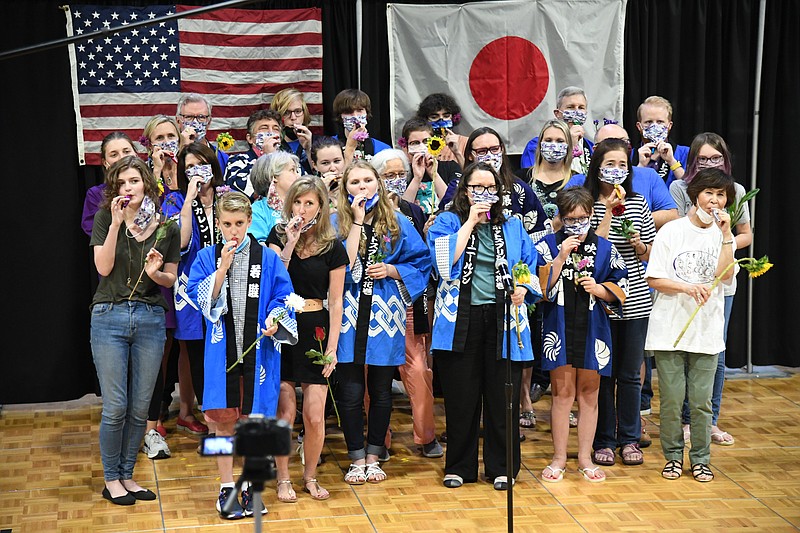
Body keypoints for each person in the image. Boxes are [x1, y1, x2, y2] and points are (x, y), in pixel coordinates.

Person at [427, 161, 542, 490]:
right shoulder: (448, 221)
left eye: (490, 189)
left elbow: (527, 264)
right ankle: (459, 467)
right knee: (461, 399)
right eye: (477, 188)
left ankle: (503, 466)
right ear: (465, 191)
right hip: (459, 319)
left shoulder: (514, 225)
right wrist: (468, 223)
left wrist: (524, 286)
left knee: (501, 397)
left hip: (504, 318)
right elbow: (443, 265)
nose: (484, 194)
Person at [186, 191, 298, 517]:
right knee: (221, 423)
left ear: (249, 222)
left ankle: (249, 485)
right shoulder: (208, 257)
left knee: (255, 423)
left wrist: (276, 318)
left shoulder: (269, 258)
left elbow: (284, 296)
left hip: (259, 352)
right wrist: (222, 269)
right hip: (221, 354)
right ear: (218, 224)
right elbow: (197, 296)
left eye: (239, 223)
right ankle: (224, 485)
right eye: (226, 224)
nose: (233, 230)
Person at [89, 156, 180, 505]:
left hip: (149, 317)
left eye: (134, 181)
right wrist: (114, 225)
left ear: (146, 183)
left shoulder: (165, 228)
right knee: (116, 406)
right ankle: (111, 478)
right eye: (122, 183)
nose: (128, 188)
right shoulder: (104, 218)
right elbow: (103, 266)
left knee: (141, 406)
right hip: (109, 314)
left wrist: (155, 272)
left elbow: (169, 279)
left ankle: (128, 475)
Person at [334, 161, 431, 485]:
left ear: (378, 183)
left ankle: (374, 456)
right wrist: (358, 222)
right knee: (349, 392)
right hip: (346, 313)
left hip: (384, 314)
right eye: (355, 181)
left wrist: (392, 271)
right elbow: (330, 265)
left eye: (367, 180)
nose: (361, 187)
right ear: (345, 188)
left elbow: (422, 261)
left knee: (380, 389)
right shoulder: (336, 223)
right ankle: (355, 456)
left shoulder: (398, 222)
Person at [645, 168, 737, 483]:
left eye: (721, 194)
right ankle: (672, 457)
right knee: (671, 398)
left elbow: (725, 277)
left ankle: (700, 458)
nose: (715, 199)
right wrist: (686, 288)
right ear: (696, 195)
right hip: (670, 328)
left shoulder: (724, 237)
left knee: (700, 402)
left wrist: (726, 236)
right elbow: (654, 278)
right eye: (709, 192)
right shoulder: (671, 231)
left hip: (706, 330)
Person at [535, 187, 627, 483]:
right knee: (562, 394)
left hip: (594, 327)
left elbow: (621, 285)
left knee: (589, 394)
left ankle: (585, 457)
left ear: (591, 215)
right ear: (560, 218)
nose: (578, 225)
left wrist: (600, 289)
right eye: (571, 220)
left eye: (583, 218)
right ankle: (559, 457)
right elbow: (540, 288)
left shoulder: (605, 248)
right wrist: (561, 257)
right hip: (558, 325)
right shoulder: (547, 245)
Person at [267, 178, 347, 502]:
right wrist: (290, 242)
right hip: (284, 326)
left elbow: (337, 301)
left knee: (314, 415)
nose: (303, 209)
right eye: (298, 203)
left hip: (315, 328)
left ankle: (310, 476)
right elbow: (276, 276)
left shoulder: (333, 246)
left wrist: (332, 348)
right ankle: (283, 477)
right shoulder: (277, 235)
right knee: (285, 413)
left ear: (320, 206)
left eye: (309, 203)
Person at [670, 133, 752, 447]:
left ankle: (711, 420)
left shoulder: (736, 191)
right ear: (692, 160)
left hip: (721, 281)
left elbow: (746, 234)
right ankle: (688, 419)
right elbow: (679, 230)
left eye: (714, 158)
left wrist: (724, 240)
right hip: (688, 279)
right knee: (687, 351)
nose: (708, 163)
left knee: (715, 352)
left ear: (724, 160)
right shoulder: (680, 188)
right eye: (702, 158)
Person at [584, 139, 656, 468]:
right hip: (600, 301)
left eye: (622, 165)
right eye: (610, 164)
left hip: (636, 300)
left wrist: (639, 243)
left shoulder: (638, 202)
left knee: (629, 375)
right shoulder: (587, 203)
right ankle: (604, 440)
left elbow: (649, 254)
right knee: (603, 374)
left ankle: (629, 438)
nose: (616, 170)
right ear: (597, 166)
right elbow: (592, 249)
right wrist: (609, 210)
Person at [370, 149, 443, 458]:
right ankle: (379, 439)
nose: (395, 182)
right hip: (369, 308)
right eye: (389, 176)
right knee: (373, 373)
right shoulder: (357, 215)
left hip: (406, 302)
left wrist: (394, 270)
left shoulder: (413, 212)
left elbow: (424, 261)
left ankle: (426, 436)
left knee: (417, 370)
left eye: (401, 175)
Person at [517, 118, 575, 428]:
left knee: (564, 333)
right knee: (527, 331)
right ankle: (525, 397)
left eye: (560, 140)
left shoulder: (578, 180)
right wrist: (549, 230)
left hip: (569, 262)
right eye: (548, 139)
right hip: (530, 262)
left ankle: (565, 402)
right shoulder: (524, 181)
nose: (554, 145)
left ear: (570, 146)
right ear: (539, 145)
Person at [173, 142, 227, 437]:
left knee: (225, 356)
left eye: (201, 164)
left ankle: (228, 427)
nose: (196, 172)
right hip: (191, 290)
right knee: (198, 357)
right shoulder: (176, 201)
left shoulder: (229, 196)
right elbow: (181, 244)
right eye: (189, 167)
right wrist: (187, 202)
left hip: (227, 285)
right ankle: (212, 430)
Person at [440, 127, 549, 242]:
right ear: (470, 155)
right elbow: (444, 229)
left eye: (494, 149)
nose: (489, 155)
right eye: (482, 151)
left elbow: (540, 232)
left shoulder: (519, 188)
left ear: (501, 150)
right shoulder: (457, 187)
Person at [566, 123, 678, 230]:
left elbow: (671, 215)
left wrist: (633, 220)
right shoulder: (579, 181)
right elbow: (560, 220)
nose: (617, 148)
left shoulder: (649, 175)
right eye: (609, 144)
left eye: (623, 143)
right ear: (595, 150)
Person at [521, 87, 594, 173]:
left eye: (581, 107)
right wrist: (570, 144)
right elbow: (531, 177)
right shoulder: (537, 145)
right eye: (570, 107)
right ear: (558, 114)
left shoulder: (590, 147)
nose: (576, 112)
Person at [399, 118, 462, 215]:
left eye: (426, 141)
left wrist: (434, 175)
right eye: (415, 143)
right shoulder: (402, 173)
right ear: (406, 147)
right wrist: (417, 178)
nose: (422, 147)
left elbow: (453, 205)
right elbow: (403, 211)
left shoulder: (451, 167)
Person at [82, 132, 138, 237]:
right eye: (114, 154)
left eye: (126, 151)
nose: (122, 158)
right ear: (105, 162)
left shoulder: (148, 187)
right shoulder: (95, 194)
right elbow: (94, 231)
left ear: (136, 154)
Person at [224, 109, 284, 200]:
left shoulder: (290, 161)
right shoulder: (237, 160)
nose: (271, 132)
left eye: (276, 129)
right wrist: (268, 157)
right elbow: (244, 189)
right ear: (250, 138)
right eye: (264, 128)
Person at [635, 96, 689, 186]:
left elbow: (692, 190)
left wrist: (672, 161)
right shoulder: (629, 155)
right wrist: (641, 166)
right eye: (648, 122)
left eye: (660, 122)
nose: (654, 126)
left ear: (669, 126)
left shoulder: (686, 153)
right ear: (639, 126)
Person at [249, 151, 301, 242]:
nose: (298, 176)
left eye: (297, 171)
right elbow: (258, 249)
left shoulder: (303, 204)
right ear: (273, 176)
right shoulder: (256, 211)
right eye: (292, 170)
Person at [332, 89, 391, 163]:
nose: (355, 116)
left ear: (366, 113)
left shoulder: (383, 149)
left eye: (359, 110)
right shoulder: (328, 145)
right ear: (340, 116)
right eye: (348, 112)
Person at [176, 93, 229, 173]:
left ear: (209, 122)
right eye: (188, 117)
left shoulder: (222, 159)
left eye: (201, 117)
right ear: (178, 121)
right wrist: (183, 148)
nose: (195, 122)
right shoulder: (169, 158)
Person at [415, 92, 468, 167]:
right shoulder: (420, 144)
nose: (441, 121)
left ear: (453, 118)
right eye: (434, 117)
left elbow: (471, 175)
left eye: (446, 116)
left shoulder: (466, 142)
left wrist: (457, 152)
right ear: (425, 120)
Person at [271, 88, 315, 173]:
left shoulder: (318, 142)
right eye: (286, 113)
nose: (293, 117)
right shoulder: (272, 145)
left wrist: (308, 149)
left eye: (298, 111)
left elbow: (321, 176)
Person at [142, 115, 183, 193]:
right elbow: (149, 202)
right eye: (159, 138)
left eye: (171, 136)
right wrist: (157, 170)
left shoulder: (188, 166)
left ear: (179, 140)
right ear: (150, 145)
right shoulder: (143, 172)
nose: (167, 143)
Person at [309, 136, 347, 207]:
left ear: (344, 160)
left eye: (337, 161)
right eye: (325, 163)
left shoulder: (353, 186)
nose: (332, 168)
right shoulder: (309, 190)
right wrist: (322, 191)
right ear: (314, 165)